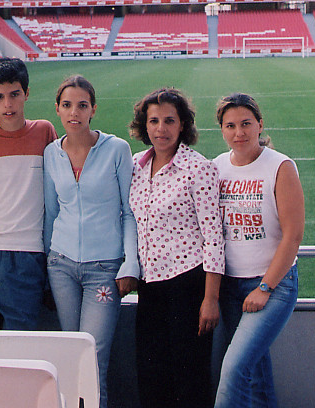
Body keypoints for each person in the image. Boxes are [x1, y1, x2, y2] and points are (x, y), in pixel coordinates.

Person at [43, 75, 138, 408]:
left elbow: (129, 212)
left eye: (82, 105)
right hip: (61, 267)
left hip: (104, 270)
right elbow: (51, 213)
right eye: (67, 105)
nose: (74, 113)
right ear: (57, 109)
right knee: (72, 355)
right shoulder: (51, 154)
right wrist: (46, 264)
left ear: (93, 109)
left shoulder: (116, 150)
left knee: (93, 358)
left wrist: (130, 264)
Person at [128, 87, 224, 408]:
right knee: (152, 375)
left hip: (189, 284)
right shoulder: (135, 167)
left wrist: (210, 298)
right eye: (153, 121)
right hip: (150, 286)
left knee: (190, 379)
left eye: (169, 120)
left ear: (182, 125)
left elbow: (213, 238)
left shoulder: (199, 169)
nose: (161, 129)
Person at [213, 93, 305, 408]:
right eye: (230, 125)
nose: (239, 132)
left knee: (234, 368)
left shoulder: (280, 166)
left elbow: (293, 236)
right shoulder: (217, 167)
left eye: (246, 124)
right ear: (222, 130)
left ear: (260, 124)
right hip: (229, 286)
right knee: (255, 375)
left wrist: (265, 287)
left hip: (271, 285)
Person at [0, 57, 57, 330]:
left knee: (19, 343)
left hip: (27, 254)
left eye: (15, 95)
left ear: (26, 94)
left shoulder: (44, 131)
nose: (8, 104)